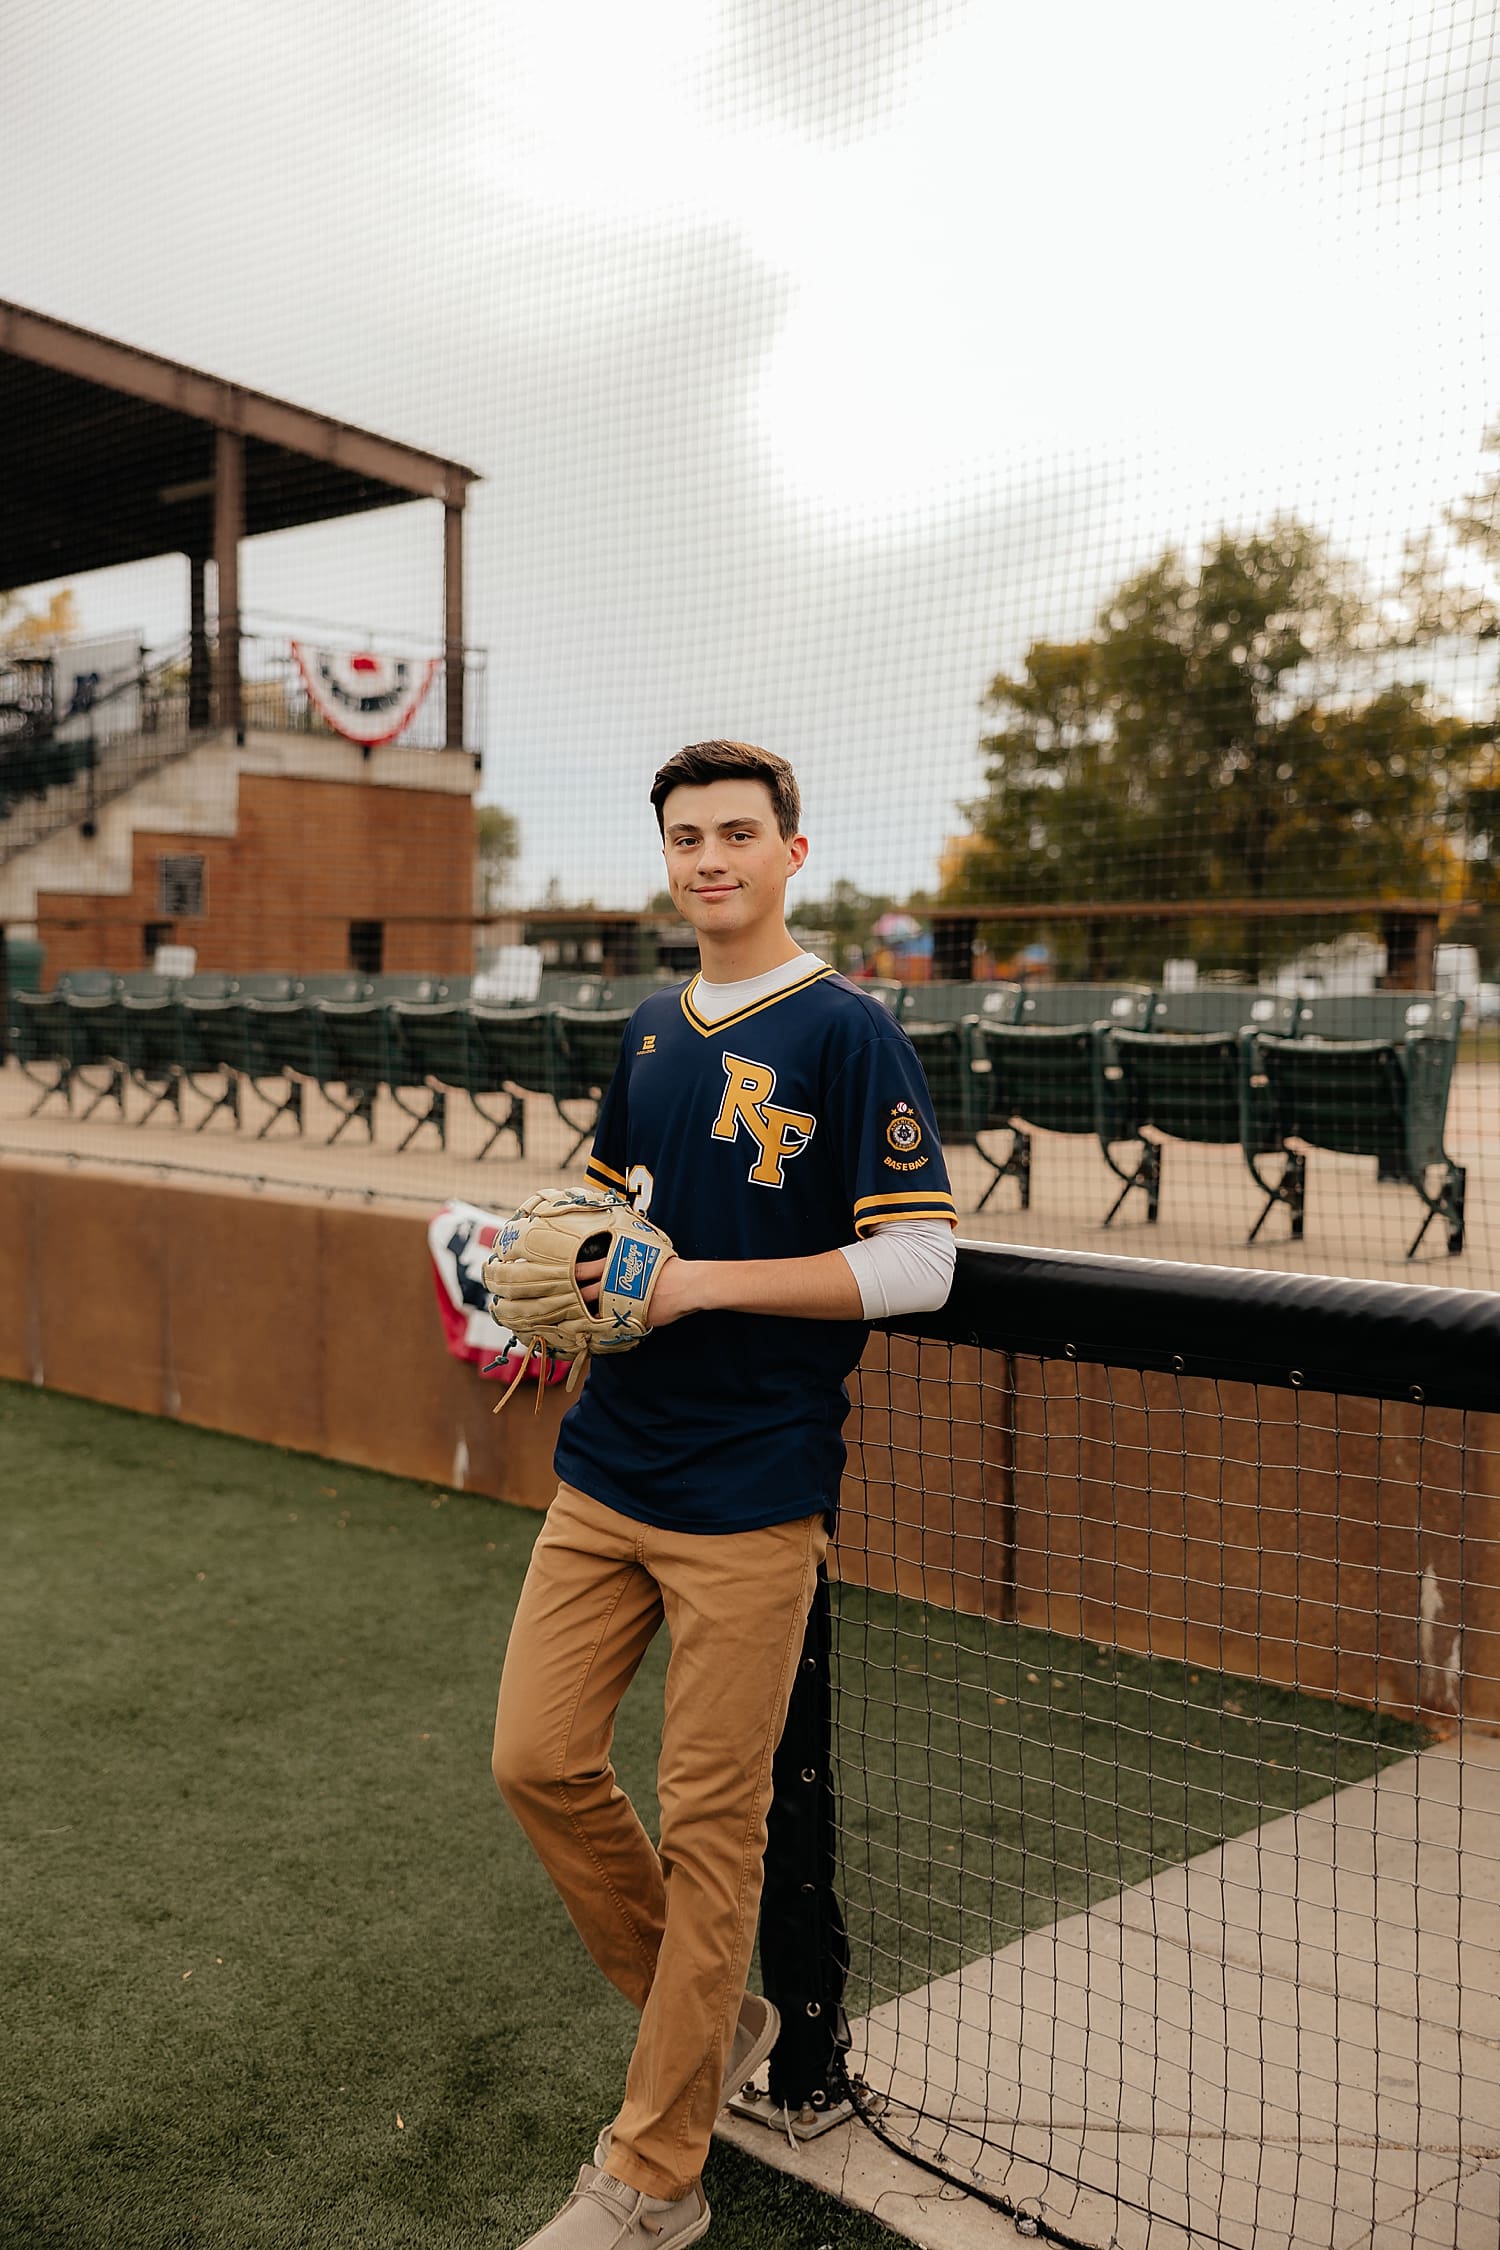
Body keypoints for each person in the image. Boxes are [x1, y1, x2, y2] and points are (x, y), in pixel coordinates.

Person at [493, 740, 956, 2248]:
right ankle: (716, 2019)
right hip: (607, 1468)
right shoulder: (648, 1025)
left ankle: (653, 2177)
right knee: (537, 1760)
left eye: (737, 834)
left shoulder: (848, 1031)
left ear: (792, 850)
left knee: (714, 1827)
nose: (710, 858)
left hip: (753, 1493)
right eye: (687, 836)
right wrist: (565, 1270)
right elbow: (610, 1203)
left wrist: (695, 1286)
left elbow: (918, 1261)